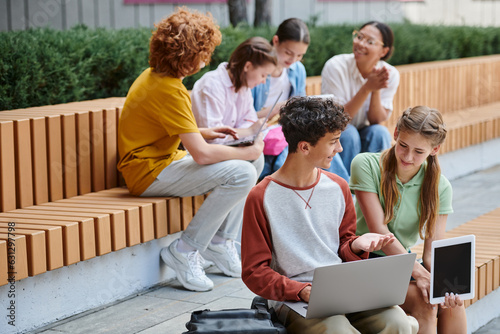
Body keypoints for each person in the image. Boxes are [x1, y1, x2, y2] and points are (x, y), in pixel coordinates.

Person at [241, 96, 419, 334]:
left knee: (396, 322)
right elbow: (254, 271)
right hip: (292, 298)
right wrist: (300, 290)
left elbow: (343, 244)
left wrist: (356, 245)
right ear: (304, 147)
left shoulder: (338, 186)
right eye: (334, 141)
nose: (340, 148)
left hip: (343, 288)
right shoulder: (261, 197)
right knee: (338, 330)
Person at [117, 7, 264, 293]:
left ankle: (220, 242)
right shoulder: (171, 90)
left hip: (157, 162)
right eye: (204, 53)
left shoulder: (155, 76)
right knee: (244, 171)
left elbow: (170, 128)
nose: (207, 59)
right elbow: (202, 155)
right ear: (189, 57)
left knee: (253, 167)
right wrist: (245, 152)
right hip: (148, 173)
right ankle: (185, 250)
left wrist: (204, 132)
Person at [350, 106, 467, 333]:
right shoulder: (365, 165)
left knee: (452, 303)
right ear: (395, 134)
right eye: (403, 145)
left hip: (402, 266)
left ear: (435, 150)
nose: (408, 156)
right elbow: (379, 231)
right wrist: (420, 274)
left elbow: (432, 251)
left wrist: (444, 284)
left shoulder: (440, 186)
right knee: (426, 301)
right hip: (363, 262)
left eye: (418, 151)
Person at [252, 18, 349, 181]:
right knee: (297, 149)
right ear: (276, 41)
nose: (293, 60)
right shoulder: (257, 70)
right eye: (288, 53)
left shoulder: (297, 70)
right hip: (264, 132)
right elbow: (246, 117)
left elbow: (301, 113)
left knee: (324, 142)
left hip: (287, 129)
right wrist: (278, 109)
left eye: (300, 55)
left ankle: (342, 190)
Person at [321, 21, 399, 175]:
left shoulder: (389, 74)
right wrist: (367, 88)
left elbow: (376, 120)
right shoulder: (335, 66)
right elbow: (337, 120)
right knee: (348, 133)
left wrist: (375, 88)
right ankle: (347, 192)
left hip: (365, 132)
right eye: (359, 37)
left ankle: (376, 187)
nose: (360, 43)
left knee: (380, 132)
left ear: (383, 51)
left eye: (370, 42)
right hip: (337, 132)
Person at [191, 36, 277, 147]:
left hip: (229, 148)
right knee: (254, 157)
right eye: (263, 75)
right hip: (206, 153)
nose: (264, 81)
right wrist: (249, 131)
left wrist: (247, 131)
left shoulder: (244, 87)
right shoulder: (211, 85)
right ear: (248, 66)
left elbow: (250, 119)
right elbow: (213, 138)